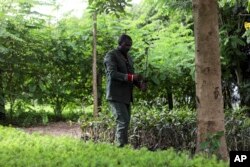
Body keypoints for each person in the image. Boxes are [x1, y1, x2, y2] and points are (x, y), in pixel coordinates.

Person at [104, 34, 147, 147]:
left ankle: (123, 147)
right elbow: (112, 74)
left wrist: (139, 85)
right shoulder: (111, 55)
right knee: (123, 121)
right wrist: (132, 77)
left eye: (130, 45)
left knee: (125, 122)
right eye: (126, 45)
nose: (128, 47)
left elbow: (132, 76)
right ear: (120, 43)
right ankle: (120, 149)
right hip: (115, 95)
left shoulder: (129, 58)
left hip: (126, 96)